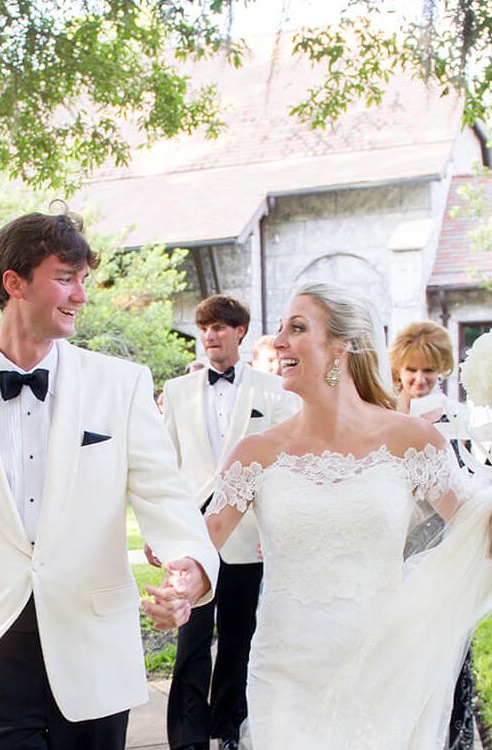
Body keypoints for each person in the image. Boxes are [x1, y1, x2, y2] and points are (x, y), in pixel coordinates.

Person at [0, 210, 219, 749]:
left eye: (83, 280)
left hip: (92, 641)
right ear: (15, 282)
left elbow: (166, 496)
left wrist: (191, 569)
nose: (81, 294)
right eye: (65, 277)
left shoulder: (120, 385)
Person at [203, 284, 492, 748]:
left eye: (297, 328)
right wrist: (182, 582)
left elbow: (489, 541)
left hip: (381, 664)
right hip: (286, 674)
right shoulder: (256, 452)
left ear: (341, 346)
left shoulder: (412, 440)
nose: (278, 341)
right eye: (280, 329)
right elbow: (203, 544)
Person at [159, 295, 299, 750]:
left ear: (240, 332)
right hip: (192, 537)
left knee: (240, 640)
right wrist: (163, 534)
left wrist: (275, 530)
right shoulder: (176, 393)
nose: (210, 335)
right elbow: (165, 467)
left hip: (248, 537)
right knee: (191, 644)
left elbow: (283, 466)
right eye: (204, 328)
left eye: (219, 327)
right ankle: (187, 738)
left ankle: (230, 731)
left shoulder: (274, 391)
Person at [389, 320, 492, 748]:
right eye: (411, 370)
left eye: (428, 371)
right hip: (395, 541)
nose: (419, 379)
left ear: (442, 370)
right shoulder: (386, 413)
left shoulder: (457, 418)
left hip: (446, 538)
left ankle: (453, 735)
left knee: (449, 645)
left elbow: (475, 477)